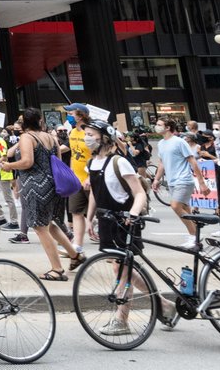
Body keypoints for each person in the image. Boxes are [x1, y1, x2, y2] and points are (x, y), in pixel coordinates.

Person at [83, 119, 177, 335]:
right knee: (121, 269)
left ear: (104, 137)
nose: (86, 138)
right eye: (85, 134)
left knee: (122, 271)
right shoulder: (92, 163)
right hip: (106, 221)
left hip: (126, 221)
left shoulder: (119, 162)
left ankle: (121, 321)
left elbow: (139, 193)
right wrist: (89, 218)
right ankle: (163, 304)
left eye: (90, 134)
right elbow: (95, 195)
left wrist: (133, 214)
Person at [0, 108, 83, 281]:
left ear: (24, 123)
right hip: (55, 184)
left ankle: (57, 269)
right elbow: (58, 161)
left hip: (36, 186)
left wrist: (9, 166)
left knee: (39, 227)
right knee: (51, 224)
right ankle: (75, 255)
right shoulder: (50, 137)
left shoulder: (27, 138)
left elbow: (27, 161)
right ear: (39, 121)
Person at [151, 116, 210, 249]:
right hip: (172, 181)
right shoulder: (161, 144)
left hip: (184, 180)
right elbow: (161, 163)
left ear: (167, 128)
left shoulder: (179, 142)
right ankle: (194, 237)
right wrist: (156, 179)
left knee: (175, 206)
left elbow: (193, 161)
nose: (156, 126)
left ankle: (194, 237)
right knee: (185, 210)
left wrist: (201, 183)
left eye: (159, 124)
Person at [63, 103, 93, 268]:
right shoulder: (72, 132)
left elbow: (97, 154)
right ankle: (78, 245)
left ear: (80, 115)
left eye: (71, 113)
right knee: (75, 213)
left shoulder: (91, 133)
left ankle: (111, 247)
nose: (68, 116)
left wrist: (89, 176)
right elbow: (70, 149)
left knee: (98, 213)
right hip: (75, 179)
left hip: (91, 180)